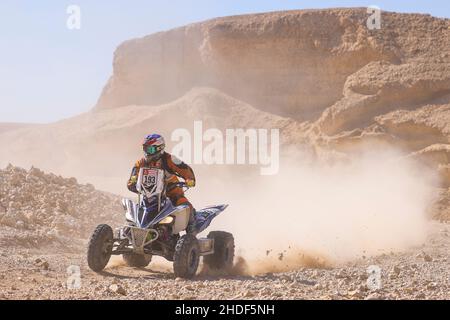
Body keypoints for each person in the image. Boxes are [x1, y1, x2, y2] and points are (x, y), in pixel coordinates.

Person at [127, 134, 197, 233]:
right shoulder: (141, 163)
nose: (147, 152)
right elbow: (133, 177)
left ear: (159, 148)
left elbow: (186, 169)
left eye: (150, 149)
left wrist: (189, 179)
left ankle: (192, 233)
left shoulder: (170, 159)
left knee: (186, 207)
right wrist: (132, 184)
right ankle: (133, 232)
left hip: (172, 194)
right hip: (150, 196)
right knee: (134, 214)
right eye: (145, 149)